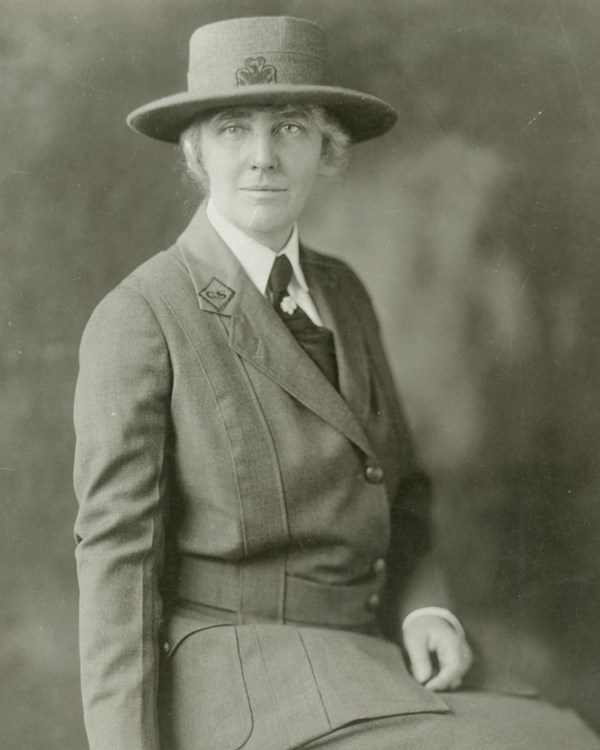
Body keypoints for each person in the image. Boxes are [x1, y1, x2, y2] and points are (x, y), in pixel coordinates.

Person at [73, 15, 600, 750]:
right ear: (196, 153)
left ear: (328, 150)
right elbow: (115, 566)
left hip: (365, 655)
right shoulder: (143, 315)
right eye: (232, 129)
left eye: (289, 128)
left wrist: (424, 611)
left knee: (568, 731)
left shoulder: (342, 291)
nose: (262, 157)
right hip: (239, 687)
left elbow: (400, 488)